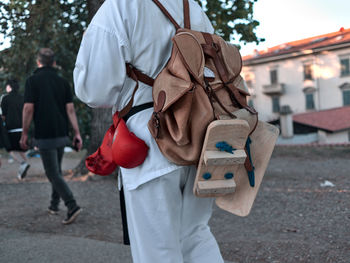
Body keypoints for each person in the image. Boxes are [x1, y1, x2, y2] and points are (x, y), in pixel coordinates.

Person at [74, 0, 224, 262]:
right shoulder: (193, 8)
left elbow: (95, 91)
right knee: (196, 236)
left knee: (157, 251)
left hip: (149, 140)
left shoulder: (120, 6)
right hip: (200, 134)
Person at [20, 48, 83, 225]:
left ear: (38, 62)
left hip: (45, 134)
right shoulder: (62, 82)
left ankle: (72, 206)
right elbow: (70, 110)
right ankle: (54, 205)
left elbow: (28, 109)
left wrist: (24, 133)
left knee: (52, 173)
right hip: (62, 133)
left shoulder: (32, 81)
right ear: (54, 63)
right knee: (57, 172)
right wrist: (77, 132)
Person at [1, 80, 31, 179]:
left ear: (9, 87)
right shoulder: (23, 98)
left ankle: (22, 163)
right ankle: (25, 165)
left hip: (11, 128)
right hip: (23, 127)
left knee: (9, 149)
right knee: (21, 149)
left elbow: (4, 115)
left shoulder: (5, 98)